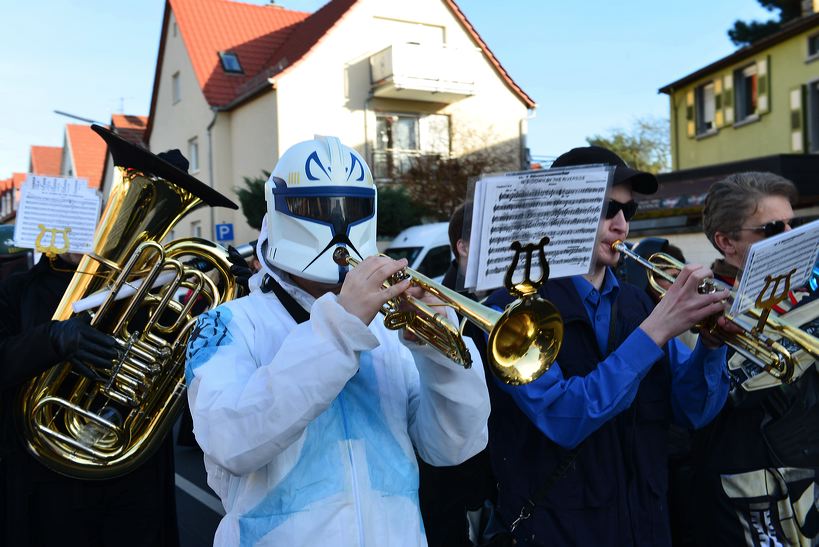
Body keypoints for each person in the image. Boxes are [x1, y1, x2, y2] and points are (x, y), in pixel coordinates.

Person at [184, 136, 490, 546]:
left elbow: (453, 446)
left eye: (353, 207)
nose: (338, 221)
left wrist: (442, 356)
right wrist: (339, 328)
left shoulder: (387, 327)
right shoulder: (226, 323)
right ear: (281, 211)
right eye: (314, 207)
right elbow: (231, 442)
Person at [483, 146, 734, 546]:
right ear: (559, 213)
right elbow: (564, 417)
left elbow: (693, 413)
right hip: (558, 532)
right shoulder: (511, 313)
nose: (621, 227)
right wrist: (653, 333)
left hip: (645, 526)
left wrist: (710, 346)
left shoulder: (638, 303)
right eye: (606, 209)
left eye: (628, 212)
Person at [0, 251, 180, 546]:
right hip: (48, 480)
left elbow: (186, 352)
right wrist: (51, 339)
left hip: (133, 469)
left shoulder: (143, 286)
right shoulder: (16, 289)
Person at [685, 171, 819, 546]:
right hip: (747, 494)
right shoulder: (696, 307)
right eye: (775, 228)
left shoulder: (810, 288)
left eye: (797, 224)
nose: (792, 236)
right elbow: (693, 411)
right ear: (726, 242)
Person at [419, 202, 497, 547]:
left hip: (496, 467)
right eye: (489, 239)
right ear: (462, 247)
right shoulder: (436, 299)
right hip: (451, 477)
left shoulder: (506, 297)